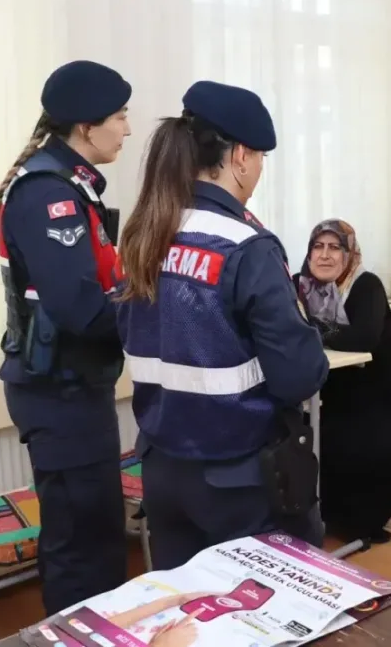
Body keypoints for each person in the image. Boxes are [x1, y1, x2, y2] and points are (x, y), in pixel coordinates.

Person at [116, 80, 329, 570]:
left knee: (186, 603)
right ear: (240, 157)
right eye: (260, 159)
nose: (259, 170)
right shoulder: (246, 246)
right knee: (264, 601)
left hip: (162, 470)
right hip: (238, 478)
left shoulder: (145, 232)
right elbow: (298, 375)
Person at [0, 60, 132, 615]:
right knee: (83, 544)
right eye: (120, 117)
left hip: (72, 386)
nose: (126, 129)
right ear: (86, 126)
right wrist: (151, 311)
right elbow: (81, 309)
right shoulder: (47, 193)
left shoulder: (68, 183)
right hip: (61, 392)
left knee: (95, 533)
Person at [294, 219, 391, 544]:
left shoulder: (366, 286)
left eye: (335, 247)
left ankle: (362, 518)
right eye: (317, 247)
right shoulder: (299, 285)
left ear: (349, 254)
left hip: (378, 395)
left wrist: (310, 326)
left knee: (367, 445)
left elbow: (362, 338)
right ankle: (310, 512)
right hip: (330, 389)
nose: (324, 255)